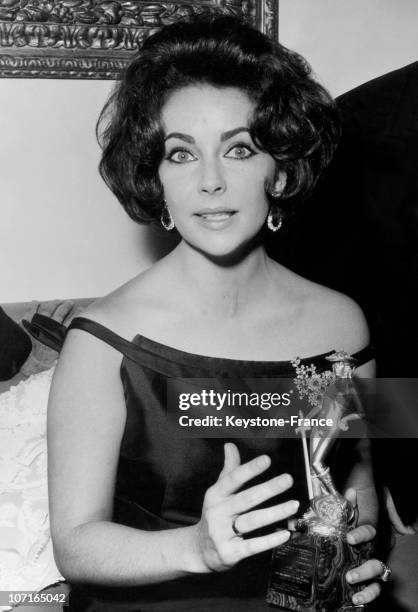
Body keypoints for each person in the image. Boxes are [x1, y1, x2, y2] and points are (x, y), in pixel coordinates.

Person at [47, 15, 388, 611]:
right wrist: (196, 547)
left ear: (279, 171)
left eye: (239, 149)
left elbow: (352, 476)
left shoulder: (343, 327)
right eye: (181, 154)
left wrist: (355, 548)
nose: (210, 181)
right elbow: (74, 544)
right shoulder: (102, 341)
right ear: (157, 181)